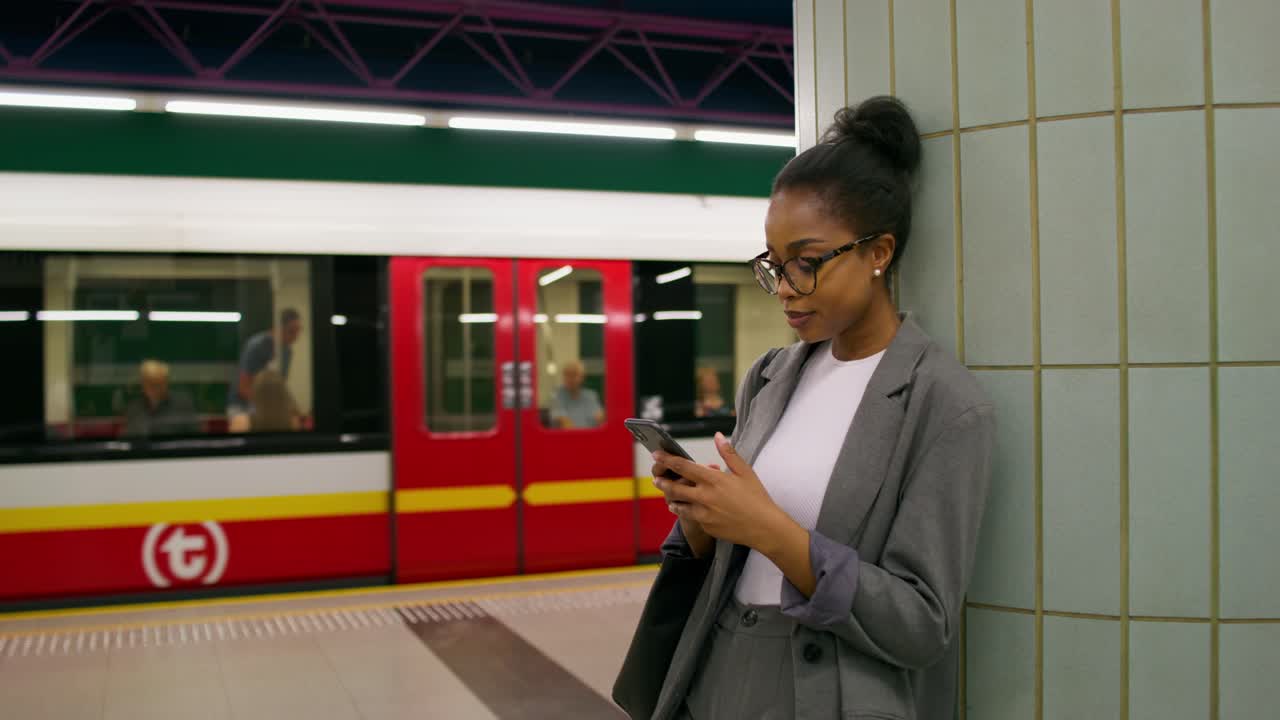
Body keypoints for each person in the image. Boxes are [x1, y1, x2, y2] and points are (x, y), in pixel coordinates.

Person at [637, 97, 995, 720]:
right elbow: (734, 553)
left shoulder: (943, 404)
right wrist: (702, 518)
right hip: (715, 675)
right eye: (775, 265)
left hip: (820, 693)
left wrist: (770, 530)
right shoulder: (771, 376)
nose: (784, 288)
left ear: (878, 252)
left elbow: (921, 624)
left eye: (807, 263)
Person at [226, 307, 303, 416]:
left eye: (298, 331)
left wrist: (292, 407)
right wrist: (270, 405)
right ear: (278, 328)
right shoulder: (257, 346)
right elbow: (243, 387)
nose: (295, 336)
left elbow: (280, 386)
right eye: (291, 331)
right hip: (242, 406)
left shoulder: (287, 352)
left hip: (265, 407)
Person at [122, 360, 200, 437]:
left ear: (166, 383)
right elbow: (128, 438)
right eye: (150, 383)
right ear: (143, 384)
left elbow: (194, 437)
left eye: (158, 383)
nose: (155, 388)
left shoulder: (182, 405)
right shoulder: (134, 408)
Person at [549, 359, 604, 429]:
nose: (570, 378)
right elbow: (564, 423)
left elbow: (600, 419)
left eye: (574, 374)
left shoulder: (591, 395)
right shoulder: (556, 395)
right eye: (567, 374)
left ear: (582, 377)